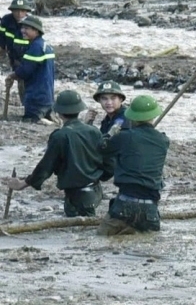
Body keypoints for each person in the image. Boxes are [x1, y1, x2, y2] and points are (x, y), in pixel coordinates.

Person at [7, 90, 105, 217]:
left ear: (58, 113)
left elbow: (46, 167)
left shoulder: (59, 136)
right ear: (79, 110)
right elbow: (105, 160)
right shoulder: (94, 131)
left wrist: (22, 183)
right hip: (96, 191)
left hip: (77, 196)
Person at [98, 95, 169, 236]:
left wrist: (109, 134)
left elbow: (101, 149)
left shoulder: (124, 137)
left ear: (132, 117)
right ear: (153, 116)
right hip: (150, 209)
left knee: (102, 237)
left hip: (124, 204)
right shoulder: (164, 140)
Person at [6, 15, 55, 123]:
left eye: (26, 28)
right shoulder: (45, 45)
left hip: (36, 97)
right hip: (47, 96)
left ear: (36, 30)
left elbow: (25, 71)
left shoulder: (35, 48)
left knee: (31, 120)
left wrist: (13, 75)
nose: (23, 31)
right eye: (22, 28)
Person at [1, 0, 34, 87]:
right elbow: (1, 41)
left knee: (26, 84)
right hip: (13, 57)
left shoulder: (32, 24)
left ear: (26, 11)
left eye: (22, 11)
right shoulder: (6, 21)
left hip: (27, 59)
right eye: (16, 11)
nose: (19, 14)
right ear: (12, 11)